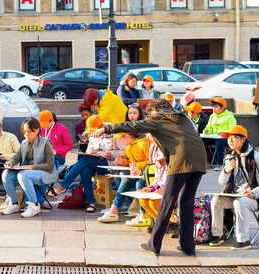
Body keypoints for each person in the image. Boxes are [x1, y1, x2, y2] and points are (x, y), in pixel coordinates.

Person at [93, 98, 207, 256]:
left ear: (156, 110)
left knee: (166, 203)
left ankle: (154, 244)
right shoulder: (183, 117)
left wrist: (107, 128)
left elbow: (133, 125)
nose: (148, 117)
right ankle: (188, 246)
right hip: (200, 160)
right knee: (186, 203)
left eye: (150, 113)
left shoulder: (158, 119)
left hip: (180, 160)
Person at [209, 125, 259, 250]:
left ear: (243, 139)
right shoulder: (229, 157)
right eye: (228, 138)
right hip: (235, 194)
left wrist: (254, 192)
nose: (230, 141)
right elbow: (222, 183)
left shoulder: (256, 156)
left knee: (240, 202)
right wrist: (226, 170)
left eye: (234, 137)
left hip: (257, 198)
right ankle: (218, 235)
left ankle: (243, 240)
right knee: (215, 200)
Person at [52, 115, 116, 213]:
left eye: (96, 129)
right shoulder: (92, 133)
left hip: (110, 163)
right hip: (95, 162)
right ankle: (91, 201)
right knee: (85, 169)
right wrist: (92, 152)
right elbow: (89, 150)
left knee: (85, 160)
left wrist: (110, 153)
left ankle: (64, 185)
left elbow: (124, 151)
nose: (95, 132)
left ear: (102, 126)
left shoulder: (114, 131)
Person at [1, 117, 58, 218]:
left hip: (45, 173)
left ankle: (34, 205)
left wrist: (32, 167)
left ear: (37, 130)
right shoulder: (24, 143)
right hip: (26, 172)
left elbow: (50, 166)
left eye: (29, 131)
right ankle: (14, 203)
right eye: (24, 131)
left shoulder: (46, 143)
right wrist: (10, 163)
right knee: (6, 174)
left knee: (23, 175)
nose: (26, 134)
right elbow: (16, 157)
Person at [97, 131, 149, 223]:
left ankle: (143, 214)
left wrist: (137, 165)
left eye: (121, 138)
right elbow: (131, 162)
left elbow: (151, 161)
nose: (120, 141)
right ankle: (114, 209)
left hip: (147, 173)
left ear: (128, 137)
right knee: (125, 179)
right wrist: (123, 162)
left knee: (138, 183)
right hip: (138, 173)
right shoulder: (130, 147)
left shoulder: (143, 144)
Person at [203, 97, 237, 171]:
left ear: (222, 107)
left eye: (216, 107)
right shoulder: (212, 116)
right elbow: (209, 127)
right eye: (213, 107)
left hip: (225, 139)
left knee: (219, 142)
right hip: (213, 137)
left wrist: (224, 133)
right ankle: (206, 162)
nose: (214, 109)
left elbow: (233, 130)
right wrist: (206, 130)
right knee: (202, 141)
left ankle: (220, 163)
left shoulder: (229, 117)